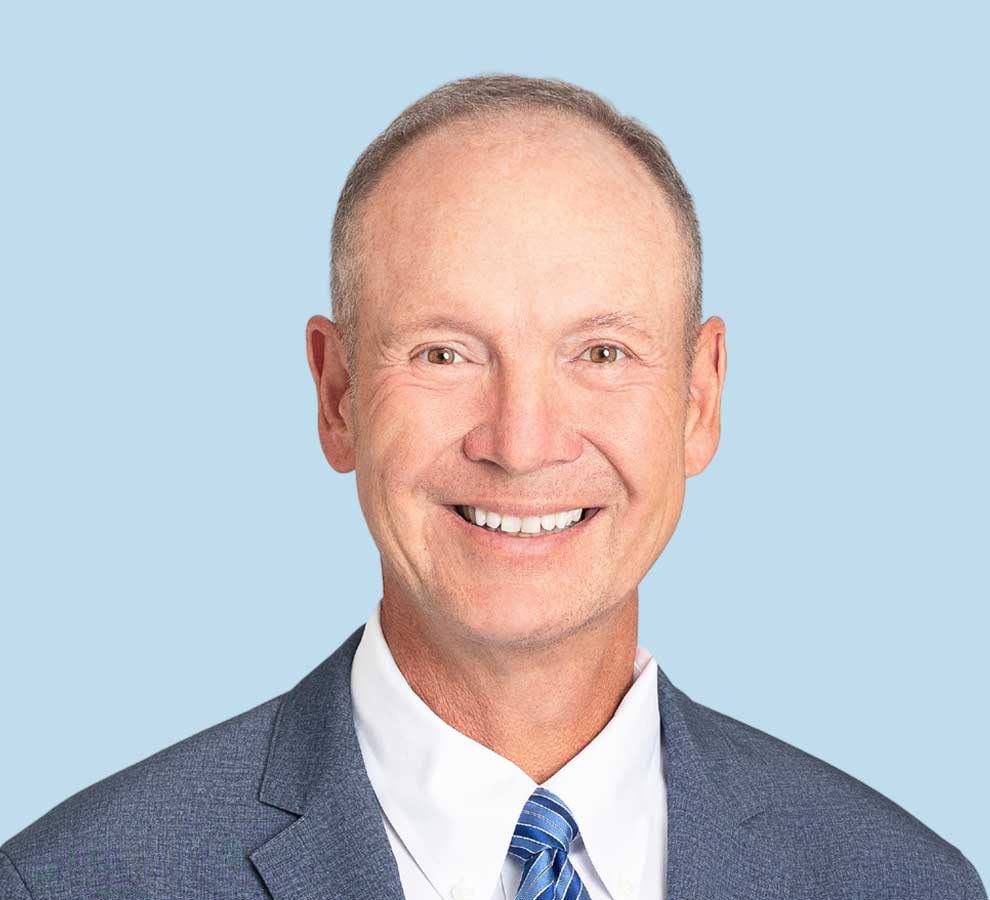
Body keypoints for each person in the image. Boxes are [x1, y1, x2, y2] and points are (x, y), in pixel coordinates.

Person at [1, 73, 984, 900]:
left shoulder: (904, 883)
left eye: (600, 352)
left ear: (699, 398)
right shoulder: (74, 883)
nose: (522, 443)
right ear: (337, 393)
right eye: (445, 352)